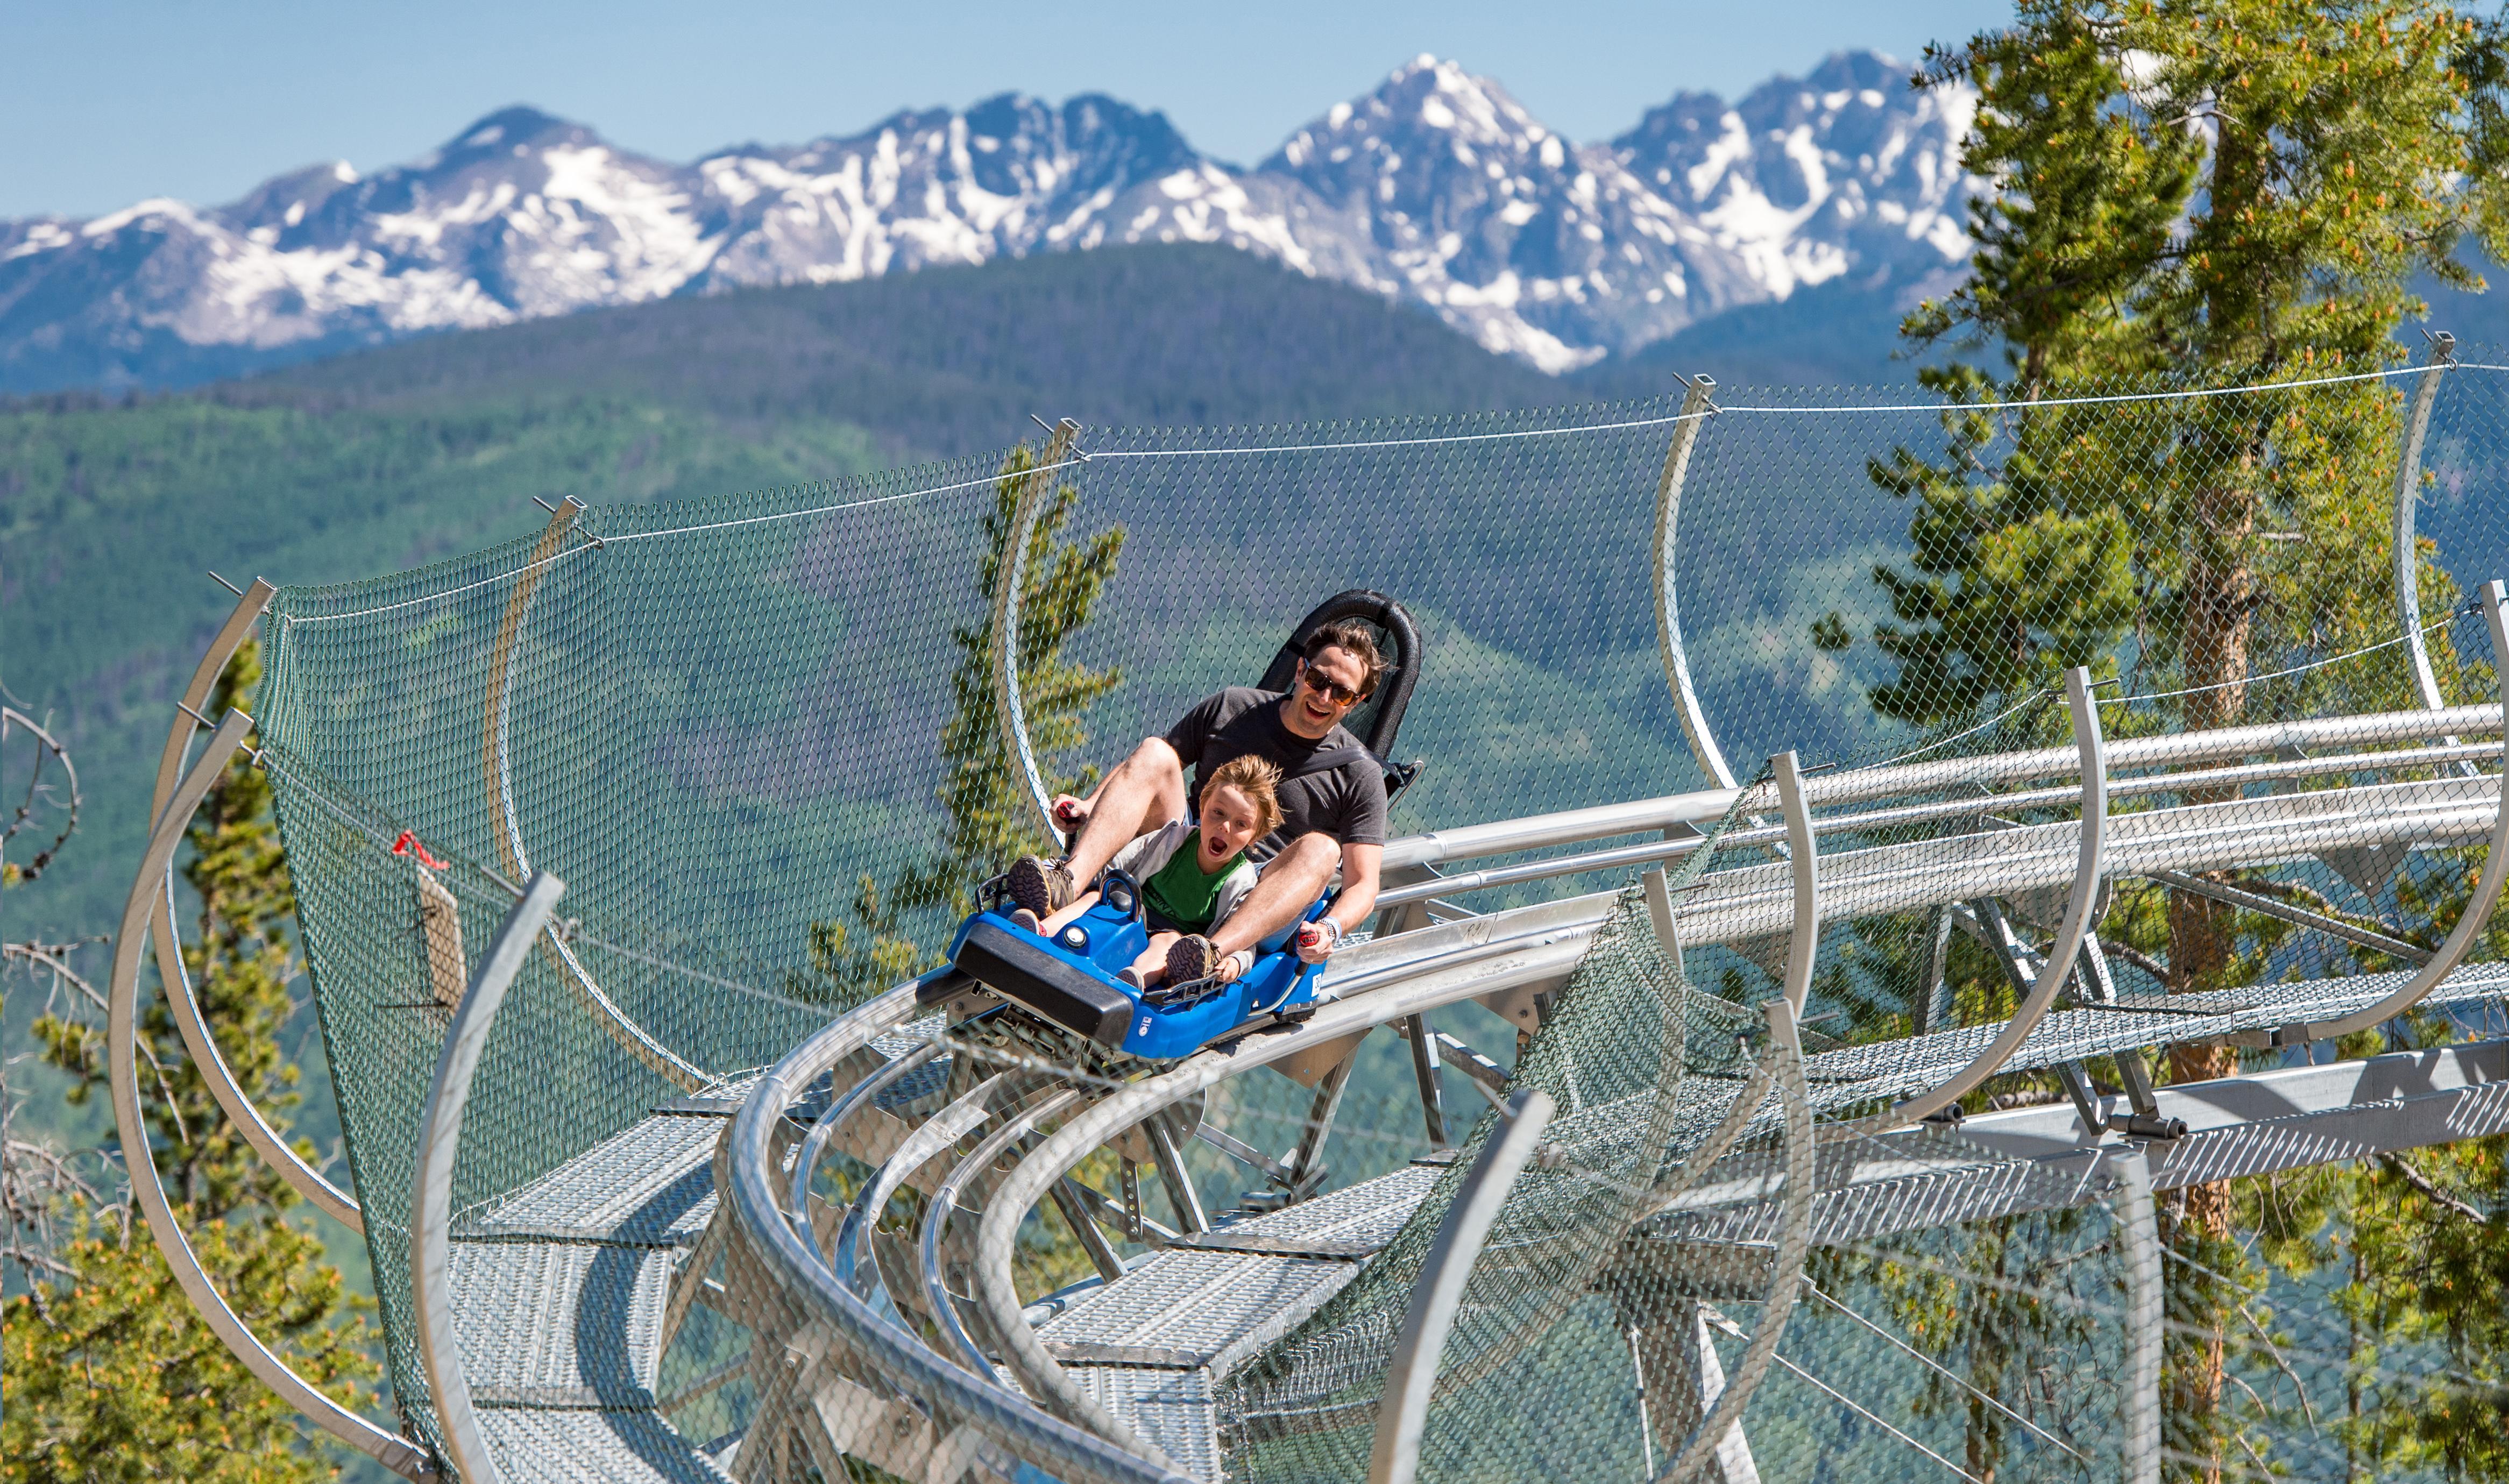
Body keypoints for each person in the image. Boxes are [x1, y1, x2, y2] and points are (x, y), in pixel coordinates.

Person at [1007, 618, 1391, 986]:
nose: (1324, 697)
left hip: (1257, 892)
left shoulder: (1360, 775)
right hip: (1188, 845)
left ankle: (1207, 953)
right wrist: (1091, 805)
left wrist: (1330, 928)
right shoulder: (1233, 707)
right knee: (1157, 750)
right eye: (1318, 680)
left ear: (1356, 702)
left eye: (1341, 693)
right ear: (1301, 670)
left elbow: (1363, 885)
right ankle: (1068, 882)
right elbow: (1151, 764)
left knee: (1324, 849)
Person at [1019, 754, 1284, 988]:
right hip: (1132, 911)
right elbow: (1118, 863)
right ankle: (1040, 929)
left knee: (1167, 943)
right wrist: (1081, 878)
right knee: (1093, 898)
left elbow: (1245, 934)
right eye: (1218, 813)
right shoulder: (1171, 840)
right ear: (1203, 808)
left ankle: (1135, 978)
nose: (1225, 827)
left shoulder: (1241, 881)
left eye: (1240, 824)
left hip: (1175, 938)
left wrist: (1237, 961)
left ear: (1254, 836)